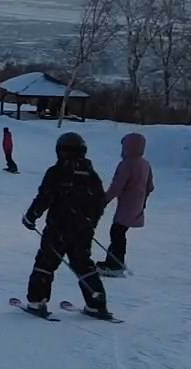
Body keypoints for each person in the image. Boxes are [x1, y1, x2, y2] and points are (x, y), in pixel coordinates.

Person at [20, 131, 112, 319]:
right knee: (83, 264)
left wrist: (31, 217)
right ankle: (96, 304)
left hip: (58, 228)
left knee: (46, 262)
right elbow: (99, 202)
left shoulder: (57, 172)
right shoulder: (91, 175)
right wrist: (90, 223)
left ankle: (38, 301)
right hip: (82, 230)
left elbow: (45, 197)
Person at [99, 132, 154, 274]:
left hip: (127, 203)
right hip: (138, 203)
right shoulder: (145, 164)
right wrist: (143, 200)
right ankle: (114, 261)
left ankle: (115, 264)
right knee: (119, 231)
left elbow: (117, 186)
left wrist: (104, 200)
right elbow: (150, 186)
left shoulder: (127, 164)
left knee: (117, 231)